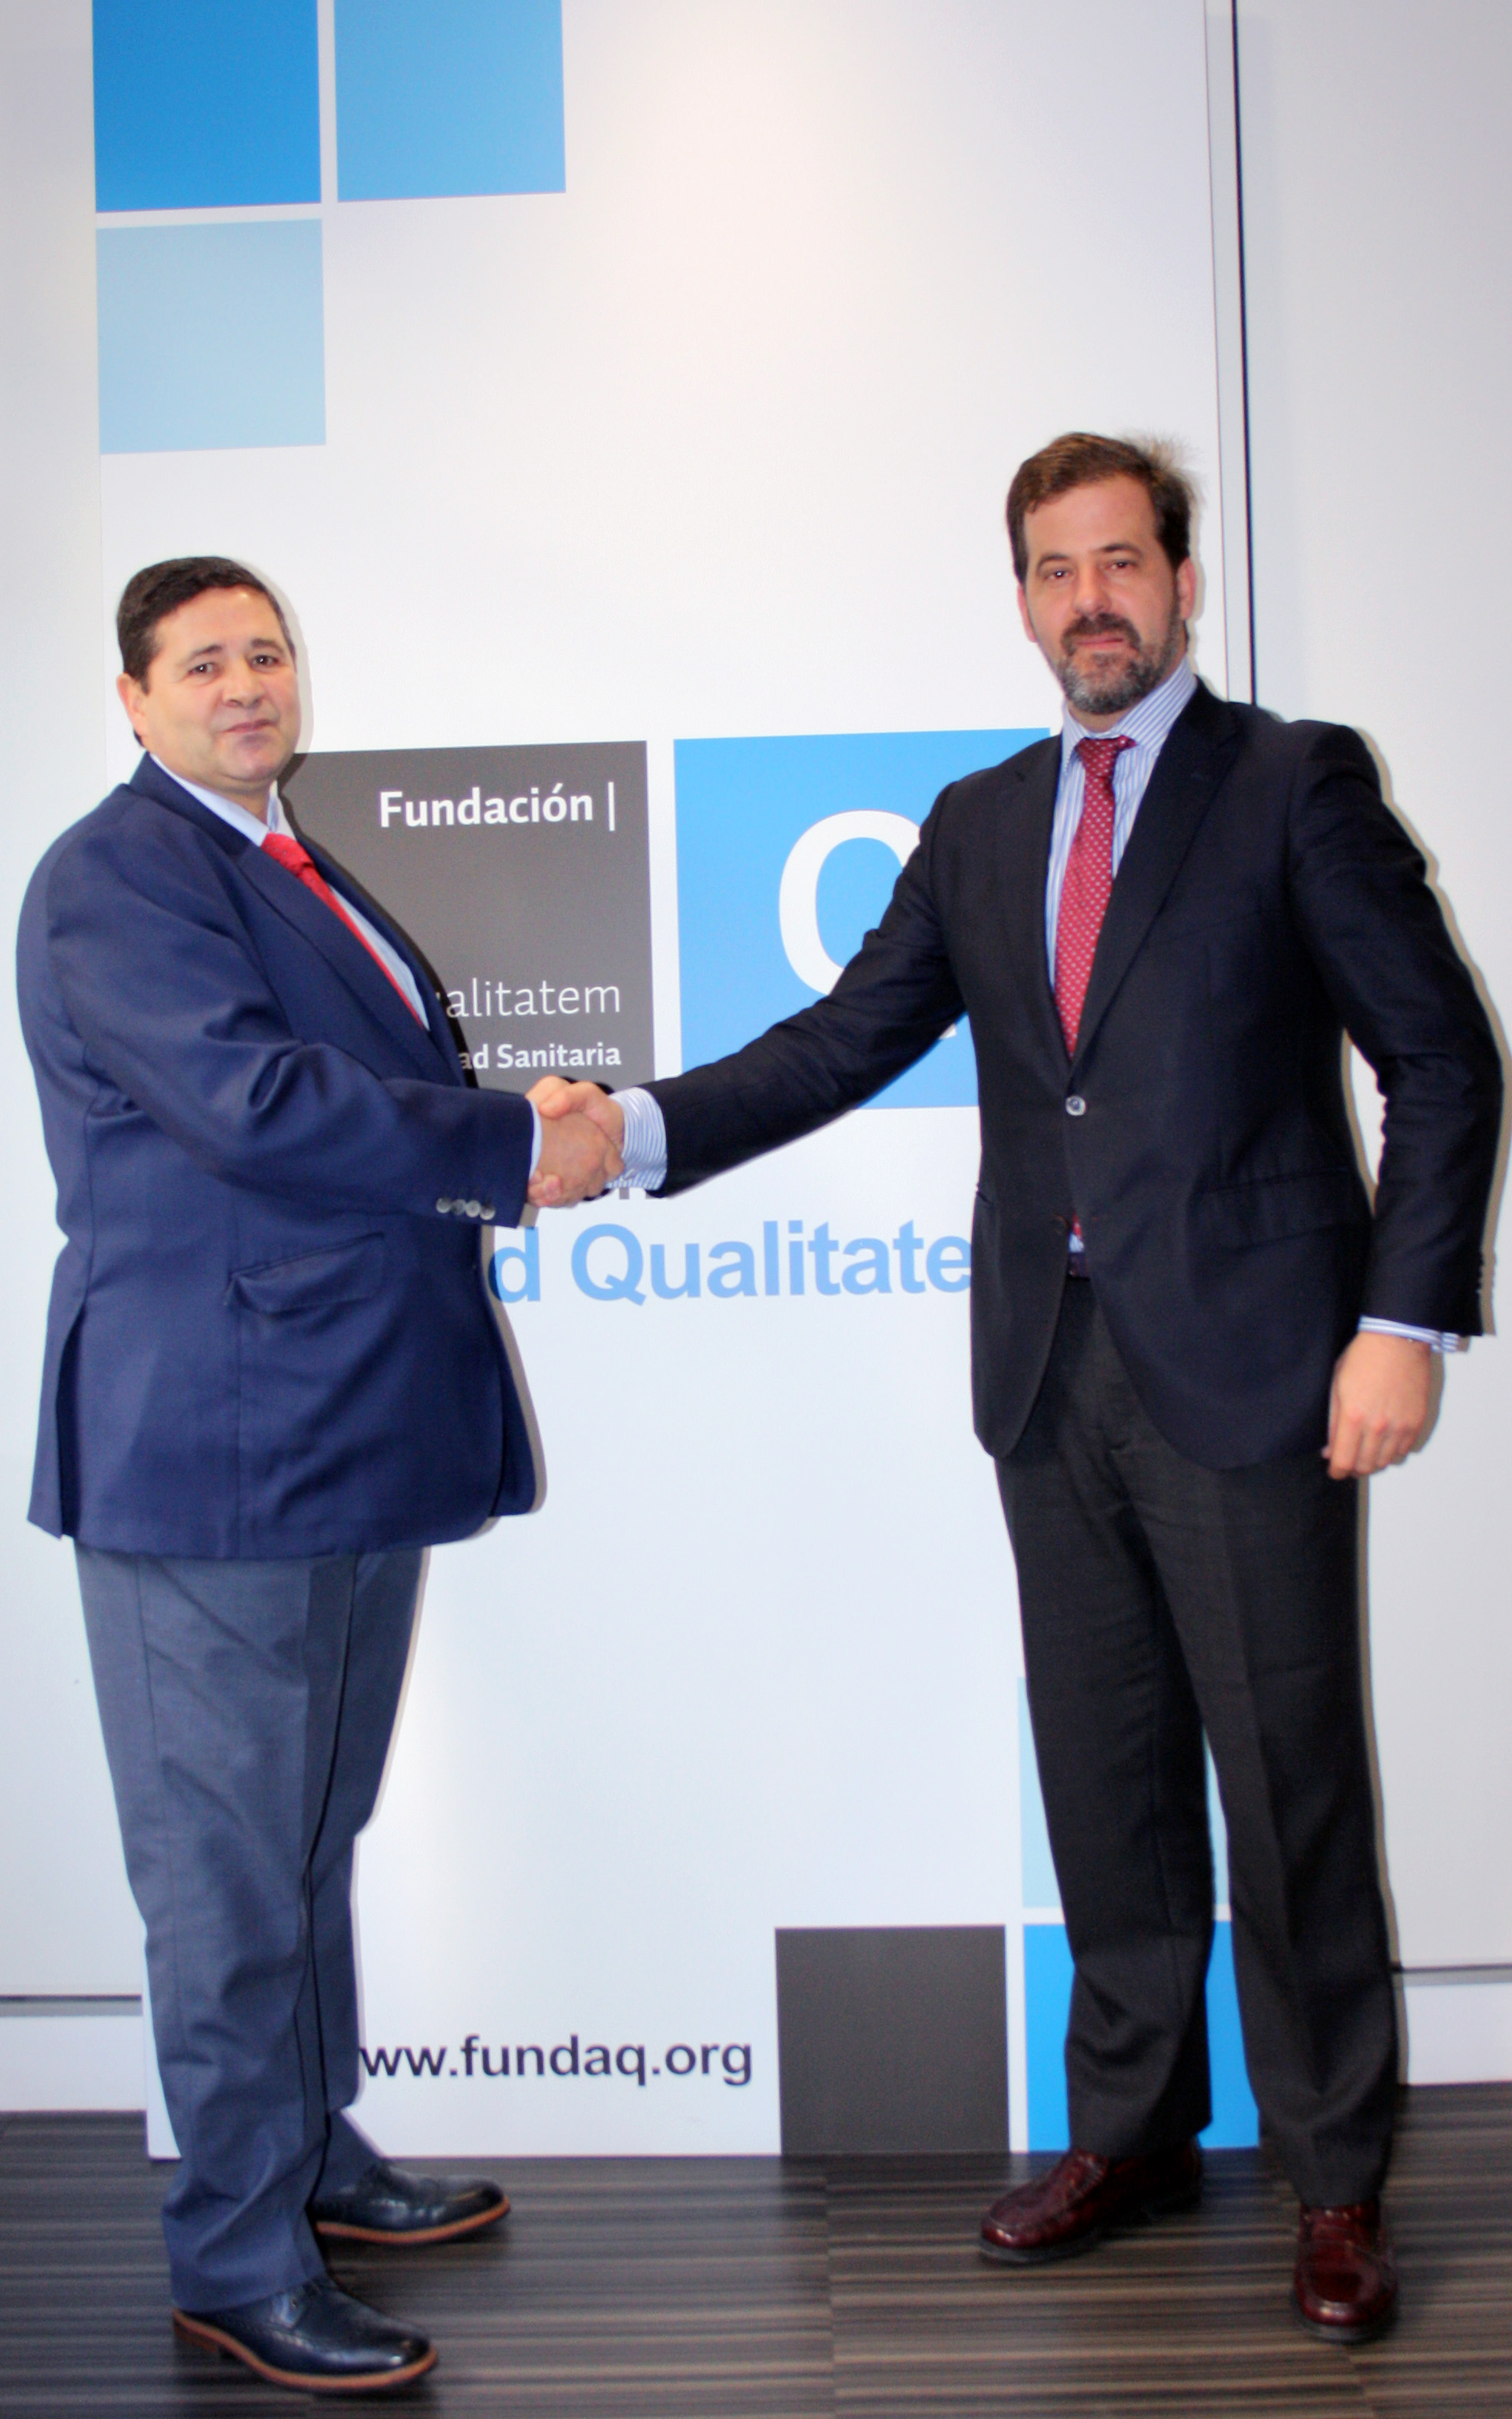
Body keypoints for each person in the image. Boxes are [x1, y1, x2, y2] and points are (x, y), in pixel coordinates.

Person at [530, 433, 1503, 2343]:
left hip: (1258, 1367)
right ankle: (1133, 2130)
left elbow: (1444, 1060)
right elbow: (840, 1041)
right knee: (1105, 1778)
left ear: (1182, 581)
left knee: (1288, 1791)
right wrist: (629, 1130)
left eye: (1121, 561)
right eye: (1056, 570)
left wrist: (1405, 1320)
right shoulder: (981, 821)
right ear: (1024, 602)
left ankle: (1334, 2176)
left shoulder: (1294, 783)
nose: (1091, 601)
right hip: (1049, 1370)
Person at [17, 559, 618, 2394]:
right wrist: (514, 1140)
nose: (245, 683)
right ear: (133, 697)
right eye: (202, 661)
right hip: (214, 1448)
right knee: (224, 1874)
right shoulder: (116, 876)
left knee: (303, 1835)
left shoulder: (281, 855)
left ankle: (311, 2155)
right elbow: (254, 1102)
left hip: (337, 1427)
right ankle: (236, 2249)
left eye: (266, 652)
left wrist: (511, 1134)